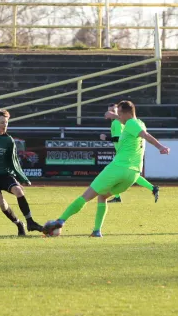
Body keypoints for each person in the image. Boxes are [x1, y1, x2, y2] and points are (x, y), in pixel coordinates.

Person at [43, 100, 170, 238]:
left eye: (120, 113)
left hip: (118, 167)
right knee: (102, 196)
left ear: (127, 113)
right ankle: (96, 231)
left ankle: (60, 220)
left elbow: (145, 136)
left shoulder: (130, 123)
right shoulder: (139, 123)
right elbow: (141, 132)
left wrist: (160, 147)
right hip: (133, 174)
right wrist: (114, 116)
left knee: (86, 196)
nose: (118, 116)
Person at [100, 103, 160, 203]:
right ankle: (152, 188)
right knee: (131, 175)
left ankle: (117, 196)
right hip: (122, 152)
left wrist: (106, 138)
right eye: (108, 111)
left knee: (120, 175)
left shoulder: (117, 123)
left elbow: (118, 138)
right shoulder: (118, 122)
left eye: (113, 111)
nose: (110, 113)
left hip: (123, 153)